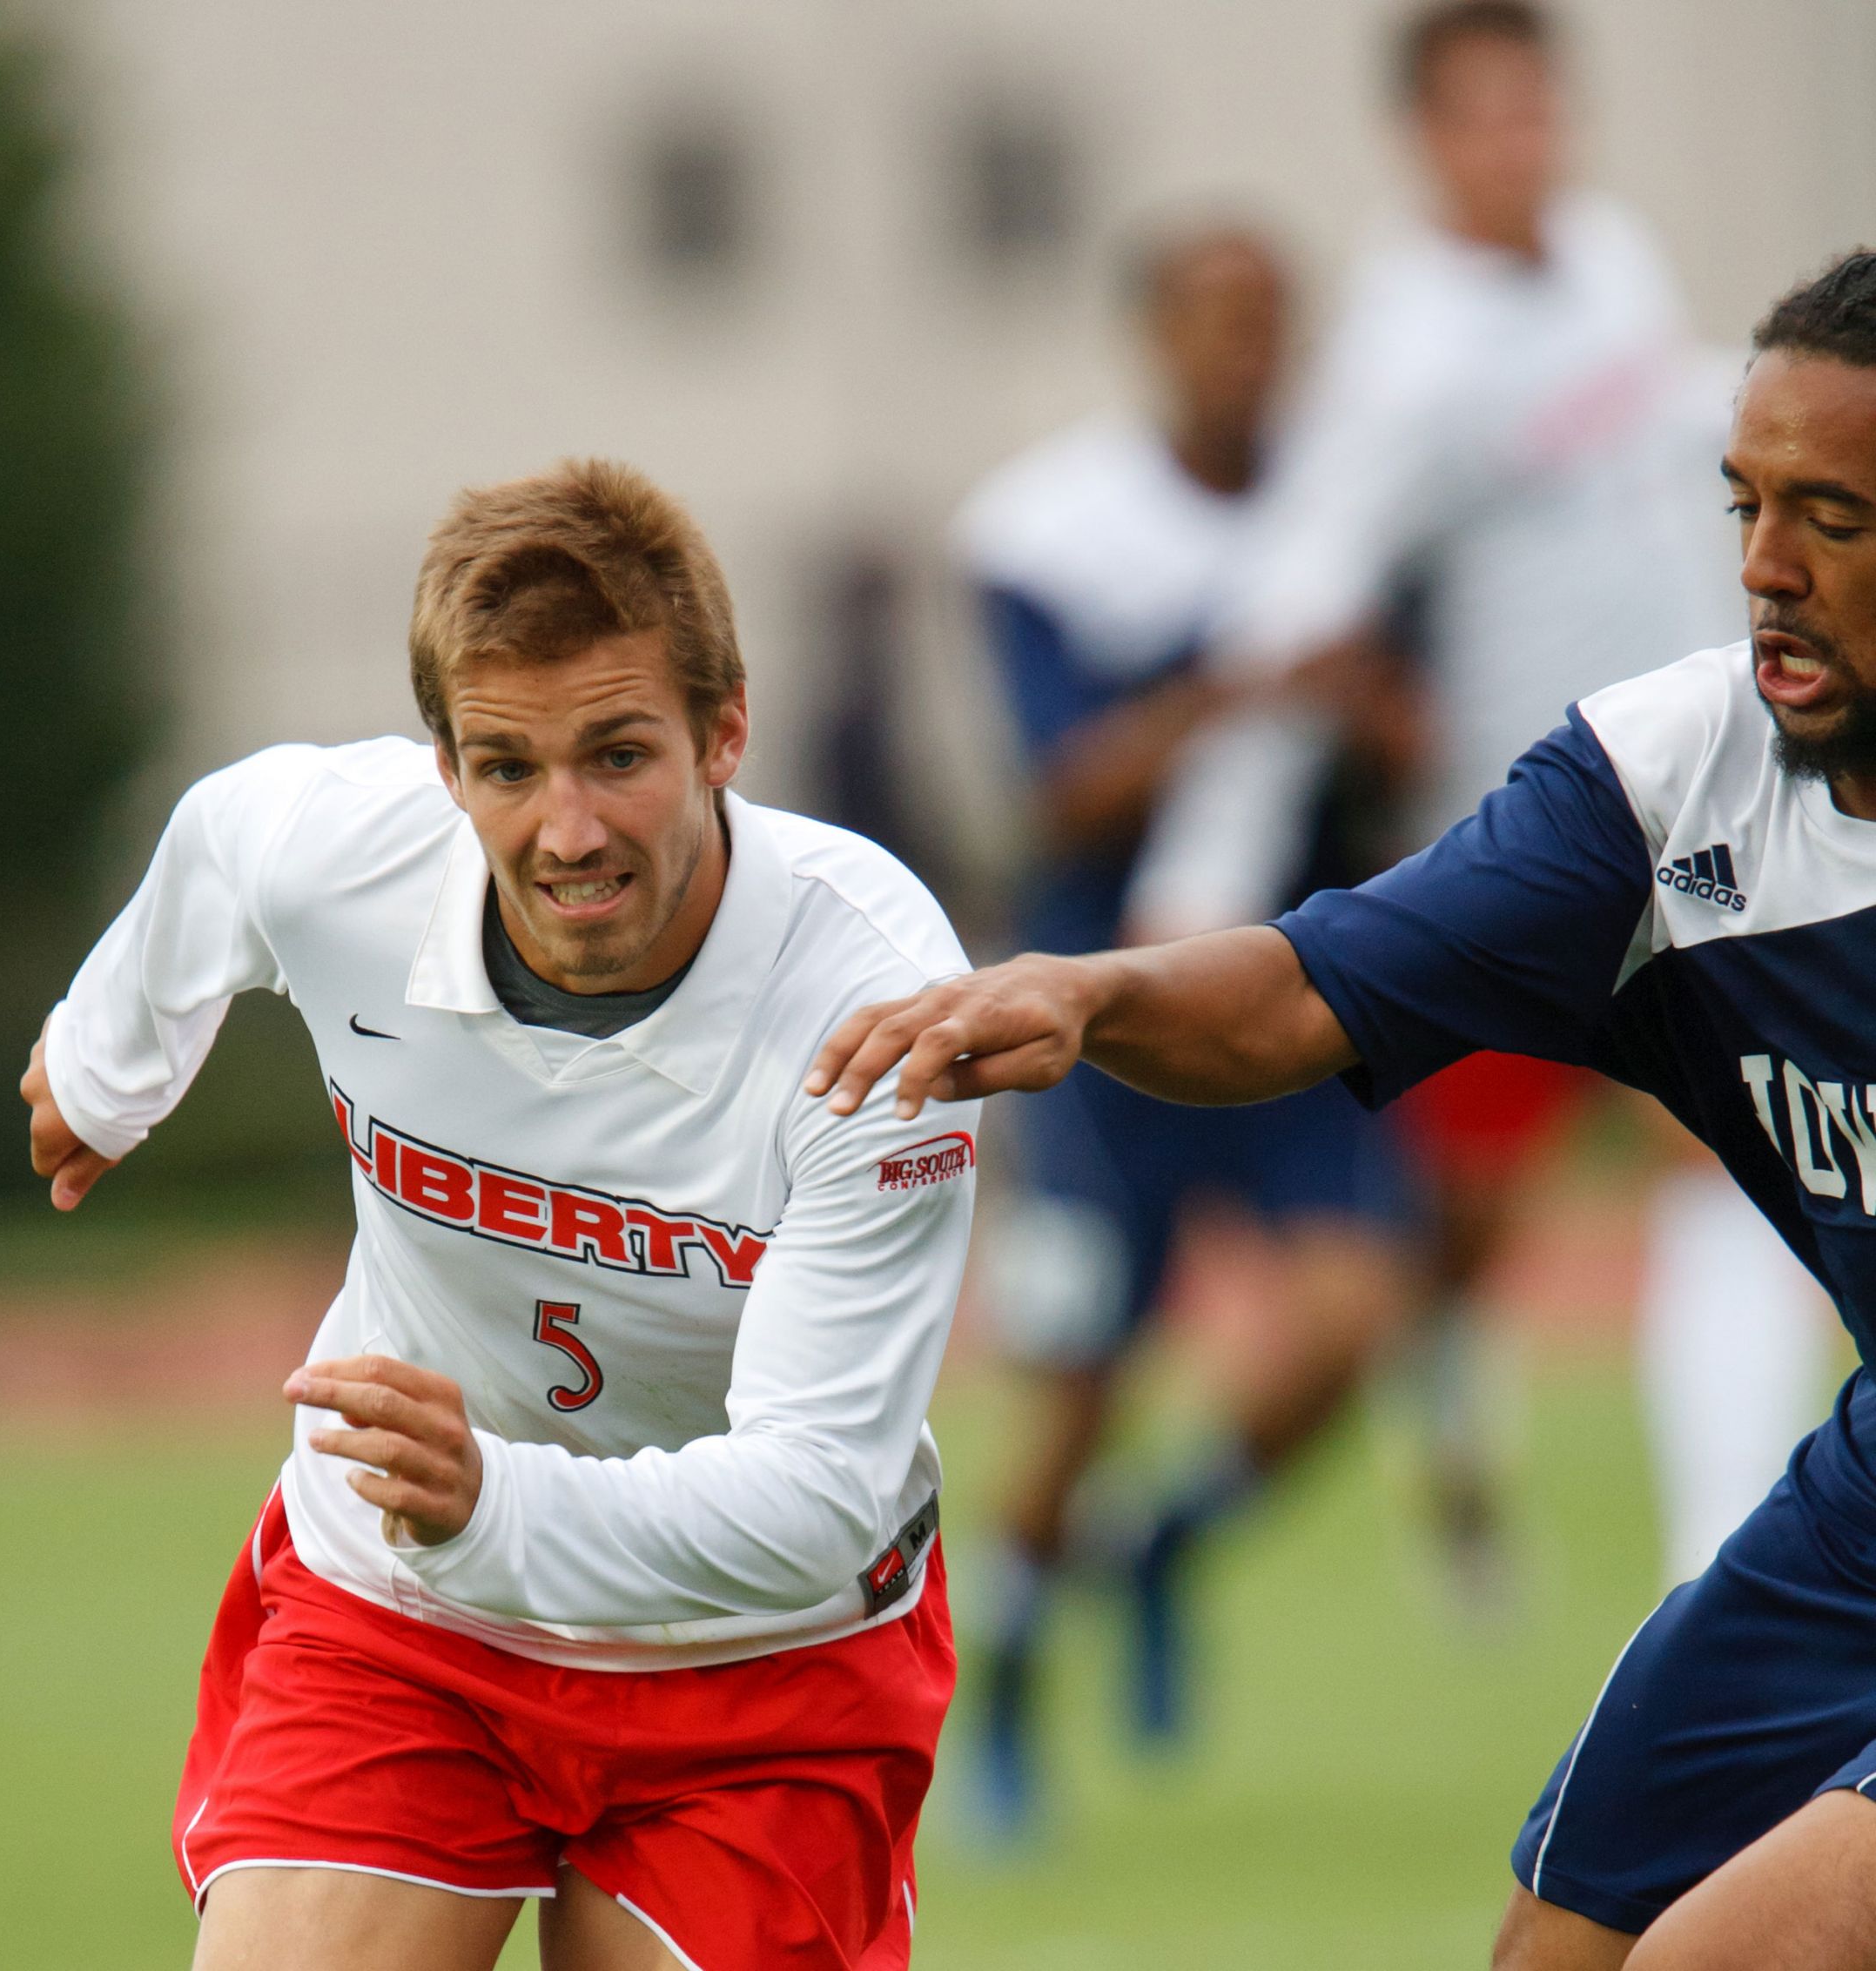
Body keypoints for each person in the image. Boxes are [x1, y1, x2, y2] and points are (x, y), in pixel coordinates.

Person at [806, 251, 1876, 1969]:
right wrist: (1089, 992)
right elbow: (1309, 986)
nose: (1759, 570)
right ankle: (1058, 1629)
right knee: (1556, 1948)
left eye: (1829, 516)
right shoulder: (1670, 781)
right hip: (1860, 1510)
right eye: (1741, 503)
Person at [19, 461, 980, 1971]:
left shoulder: (876, 1004)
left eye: (618, 754)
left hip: (767, 1667)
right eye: (508, 768)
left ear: (727, 731)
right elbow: (217, 843)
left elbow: (815, 1498)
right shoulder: (342, 853)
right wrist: (101, 1064)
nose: (567, 832)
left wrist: (493, 1506)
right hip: (404, 1619)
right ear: (447, 769)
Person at [1126, 0, 1824, 1597]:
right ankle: (1347, 1480)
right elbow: (1301, 609)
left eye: (1541, 112)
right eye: (1489, 118)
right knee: (1446, 1244)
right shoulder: (1405, 354)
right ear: (1428, 141)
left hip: (1705, 810)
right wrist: (1204, 870)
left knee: (1725, 1154)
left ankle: (1713, 1556)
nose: (1525, 146)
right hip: (1535, 838)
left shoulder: (1611, 266)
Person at [951, 225, 1421, 1806]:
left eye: (1272, 324)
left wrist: (1361, 707)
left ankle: (1164, 1542)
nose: (1249, 356)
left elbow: (1413, 753)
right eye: (1218, 324)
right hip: (1100, 1022)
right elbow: (1059, 792)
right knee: (1079, 1393)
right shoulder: (1052, 531)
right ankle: (1009, 1680)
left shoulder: (1348, 513)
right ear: (1152, 336)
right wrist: (1235, 686)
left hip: (1290, 997)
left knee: (1356, 1318)